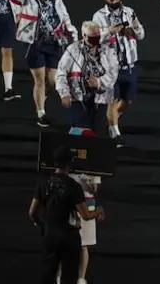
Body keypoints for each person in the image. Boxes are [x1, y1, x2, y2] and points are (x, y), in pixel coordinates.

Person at [6, 0, 77, 127]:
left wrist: (72, 33)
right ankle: (41, 114)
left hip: (52, 42)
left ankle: (41, 97)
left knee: (52, 80)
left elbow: (64, 16)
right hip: (34, 43)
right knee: (39, 80)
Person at [28, 145, 105, 284]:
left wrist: (42, 225)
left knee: (48, 274)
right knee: (69, 277)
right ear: (70, 163)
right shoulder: (73, 186)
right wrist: (99, 211)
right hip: (69, 237)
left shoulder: (43, 184)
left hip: (50, 236)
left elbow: (32, 212)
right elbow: (86, 215)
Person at [92, 0, 145, 147]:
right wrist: (112, 30)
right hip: (110, 65)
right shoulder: (99, 16)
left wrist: (134, 29)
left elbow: (141, 35)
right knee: (112, 100)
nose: (114, 1)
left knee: (127, 101)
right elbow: (95, 37)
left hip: (129, 64)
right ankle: (114, 132)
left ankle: (111, 118)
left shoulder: (129, 12)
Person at [56, 21, 119, 132]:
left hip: (100, 99)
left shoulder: (108, 51)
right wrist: (64, 93)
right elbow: (61, 73)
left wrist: (99, 82)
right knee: (80, 129)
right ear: (84, 35)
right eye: (92, 36)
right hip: (78, 97)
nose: (96, 38)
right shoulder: (72, 50)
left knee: (98, 131)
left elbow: (113, 73)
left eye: (97, 35)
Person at [65, 128, 102, 284]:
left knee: (84, 244)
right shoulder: (66, 160)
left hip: (87, 203)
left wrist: (89, 184)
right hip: (68, 204)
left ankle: (81, 278)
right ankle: (59, 277)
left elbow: (95, 188)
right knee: (65, 244)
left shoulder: (95, 162)